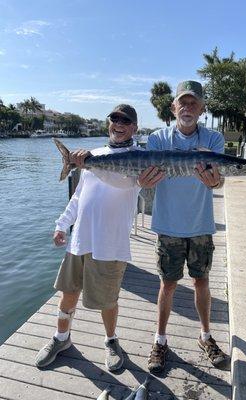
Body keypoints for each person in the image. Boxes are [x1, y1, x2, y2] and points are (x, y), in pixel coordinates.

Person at [35, 104, 162, 371]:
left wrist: (89, 164)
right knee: (67, 293)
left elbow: (124, 183)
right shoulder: (95, 155)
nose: (119, 124)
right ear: (109, 125)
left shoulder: (141, 158)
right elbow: (79, 196)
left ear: (134, 128)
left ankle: (111, 340)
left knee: (109, 300)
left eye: (125, 121)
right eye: (114, 119)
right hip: (80, 239)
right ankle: (61, 338)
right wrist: (62, 224)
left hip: (111, 243)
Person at [143, 81, 228, 372]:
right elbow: (145, 177)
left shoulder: (214, 139)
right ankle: (160, 339)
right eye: (183, 102)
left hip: (201, 224)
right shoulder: (157, 139)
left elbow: (219, 178)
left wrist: (216, 181)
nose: (188, 108)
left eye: (194, 103)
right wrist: (143, 182)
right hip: (167, 226)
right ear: (173, 108)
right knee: (167, 284)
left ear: (202, 108)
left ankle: (205, 336)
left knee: (201, 282)